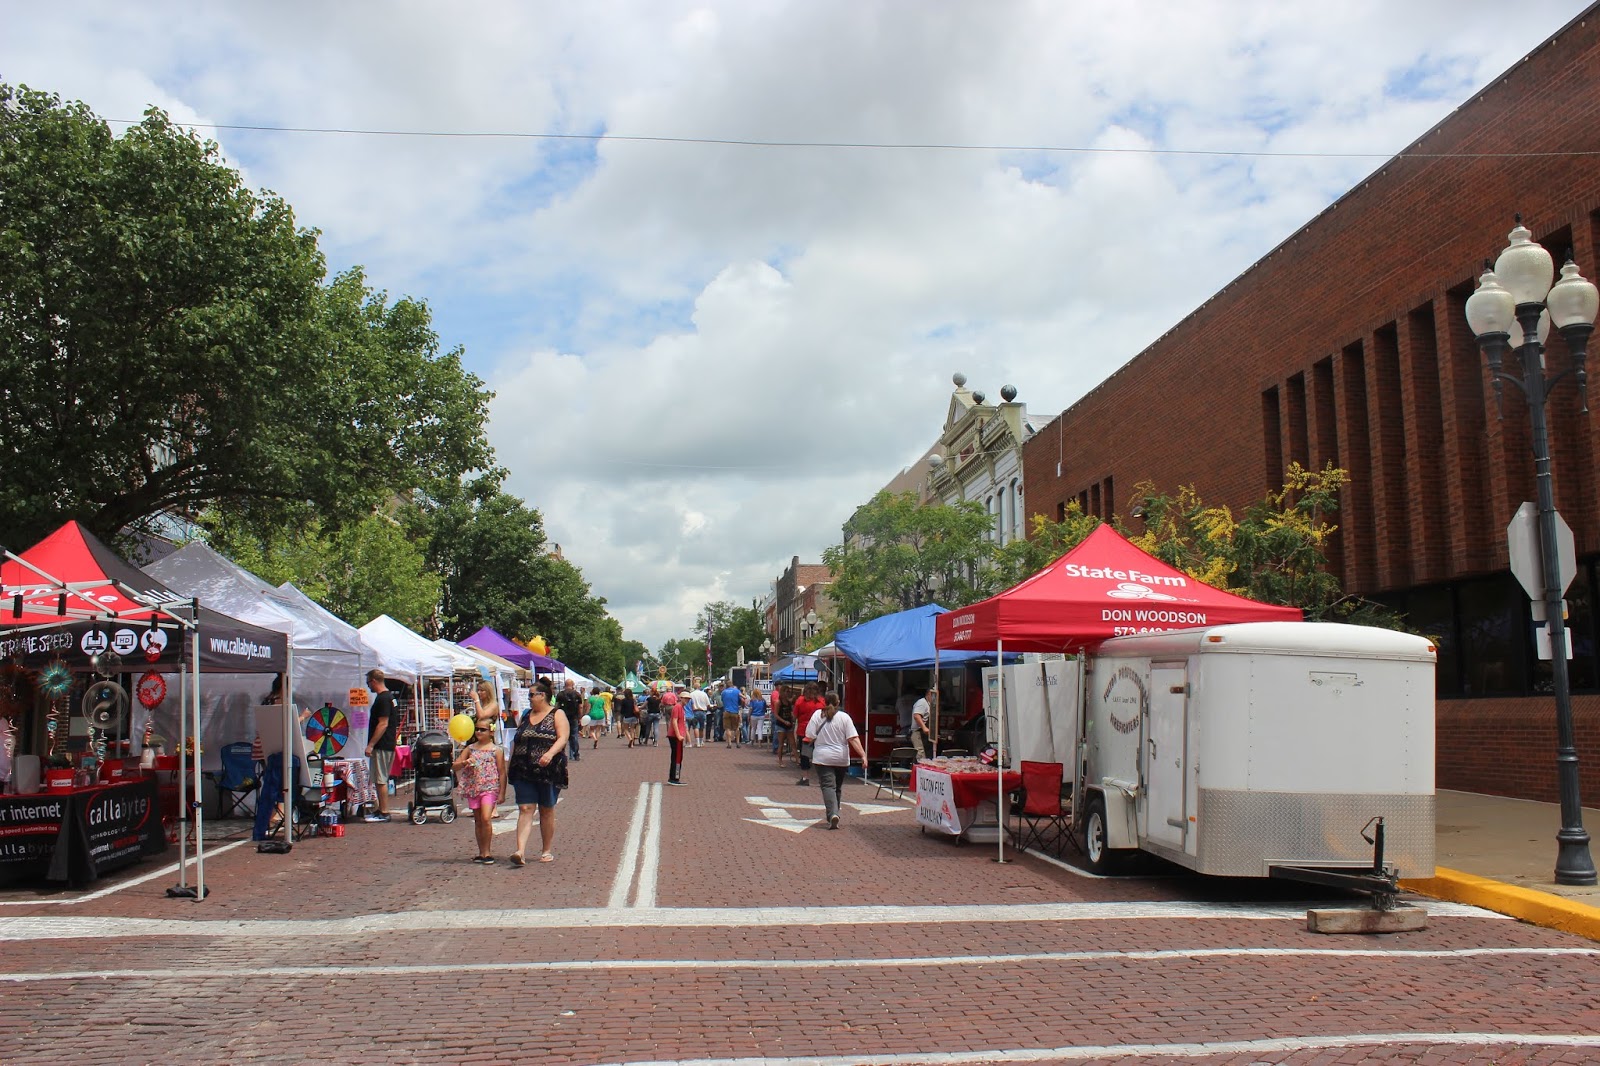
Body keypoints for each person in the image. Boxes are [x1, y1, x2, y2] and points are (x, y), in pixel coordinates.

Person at [508, 679, 569, 865]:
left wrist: (549, 754)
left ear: (543, 696)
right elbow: (517, 740)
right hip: (523, 769)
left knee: (546, 809)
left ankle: (546, 849)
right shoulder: (526, 715)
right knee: (525, 808)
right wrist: (510, 763)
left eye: (532, 695)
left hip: (547, 770)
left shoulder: (556, 714)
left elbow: (563, 737)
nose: (530, 698)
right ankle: (520, 851)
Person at [805, 692, 868, 829]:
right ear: (838, 702)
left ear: (824, 702)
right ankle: (835, 813)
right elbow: (853, 738)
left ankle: (833, 814)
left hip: (822, 757)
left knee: (828, 786)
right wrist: (863, 755)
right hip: (841, 757)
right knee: (837, 787)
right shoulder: (845, 717)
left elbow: (809, 735)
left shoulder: (817, 715)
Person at [453, 710, 507, 863]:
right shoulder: (470, 749)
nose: (478, 732)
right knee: (478, 820)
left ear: (491, 732)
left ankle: (488, 852)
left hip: (489, 787)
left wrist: (502, 792)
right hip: (473, 787)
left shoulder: (496, 750)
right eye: (476, 729)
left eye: (482, 729)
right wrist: (464, 763)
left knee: (485, 818)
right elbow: (455, 766)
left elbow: (502, 772)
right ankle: (481, 852)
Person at [363, 668, 397, 821]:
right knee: (379, 778)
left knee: (380, 778)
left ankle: (384, 811)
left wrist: (371, 744)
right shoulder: (389, 697)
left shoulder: (383, 699)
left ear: (374, 681)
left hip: (382, 744)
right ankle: (380, 810)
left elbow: (383, 724)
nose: (368, 686)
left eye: (368, 682)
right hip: (386, 744)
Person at [792, 682, 826, 787]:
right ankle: (822, 779)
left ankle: (805, 777)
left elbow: (795, 715)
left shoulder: (800, 701)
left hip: (804, 732)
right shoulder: (822, 702)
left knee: (805, 756)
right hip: (819, 732)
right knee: (820, 754)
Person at [664, 684, 688, 785]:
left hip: (677, 735)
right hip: (675, 736)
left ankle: (674, 777)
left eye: (688, 699)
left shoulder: (680, 707)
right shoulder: (677, 707)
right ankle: (674, 778)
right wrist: (678, 735)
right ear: (680, 698)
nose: (687, 701)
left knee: (677, 756)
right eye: (685, 699)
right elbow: (674, 721)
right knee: (677, 757)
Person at [556, 680, 585, 761]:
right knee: (574, 736)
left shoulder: (560, 694)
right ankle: (576, 754)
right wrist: (580, 717)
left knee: (561, 736)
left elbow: (556, 706)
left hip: (562, 717)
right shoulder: (577, 694)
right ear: (573, 685)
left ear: (565, 685)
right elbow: (580, 707)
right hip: (574, 718)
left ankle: (561, 753)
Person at [772, 686, 796, 767]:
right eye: (786, 691)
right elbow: (776, 714)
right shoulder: (778, 702)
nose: (787, 693)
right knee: (781, 743)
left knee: (793, 742)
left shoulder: (788, 702)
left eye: (788, 692)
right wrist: (784, 721)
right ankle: (780, 760)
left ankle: (797, 759)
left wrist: (792, 717)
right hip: (781, 725)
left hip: (789, 723)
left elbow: (791, 711)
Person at [909, 686, 934, 761]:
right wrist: (924, 728)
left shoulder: (930, 705)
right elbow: (916, 715)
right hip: (918, 733)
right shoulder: (922, 702)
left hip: (925, 735)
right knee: (921, 756)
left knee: (928, 756)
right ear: (928, 694)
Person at [720, 681, 744, 749]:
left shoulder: (723, 692)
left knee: (728, 728)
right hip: (735, 711)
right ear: (732, 685)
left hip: (726, 711)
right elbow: (742, 699)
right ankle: (737, 743)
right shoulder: (736, 691)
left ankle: (729, 743)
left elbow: (722, 700)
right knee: (736, 728)